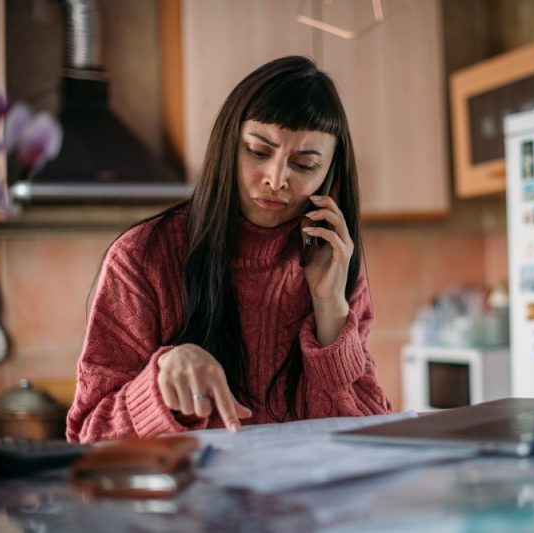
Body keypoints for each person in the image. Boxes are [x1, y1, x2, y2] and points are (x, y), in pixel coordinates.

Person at [66, 56, 392, 443]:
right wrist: (161, 381)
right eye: (257, 151)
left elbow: (370, 436)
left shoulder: (335, 264)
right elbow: (89, 439)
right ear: (228, 144)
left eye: (304, 164)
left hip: (303, 501)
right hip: (188, 503)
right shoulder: (142, 258)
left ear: (329, 173)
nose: (276, 179)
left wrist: (330, 309)